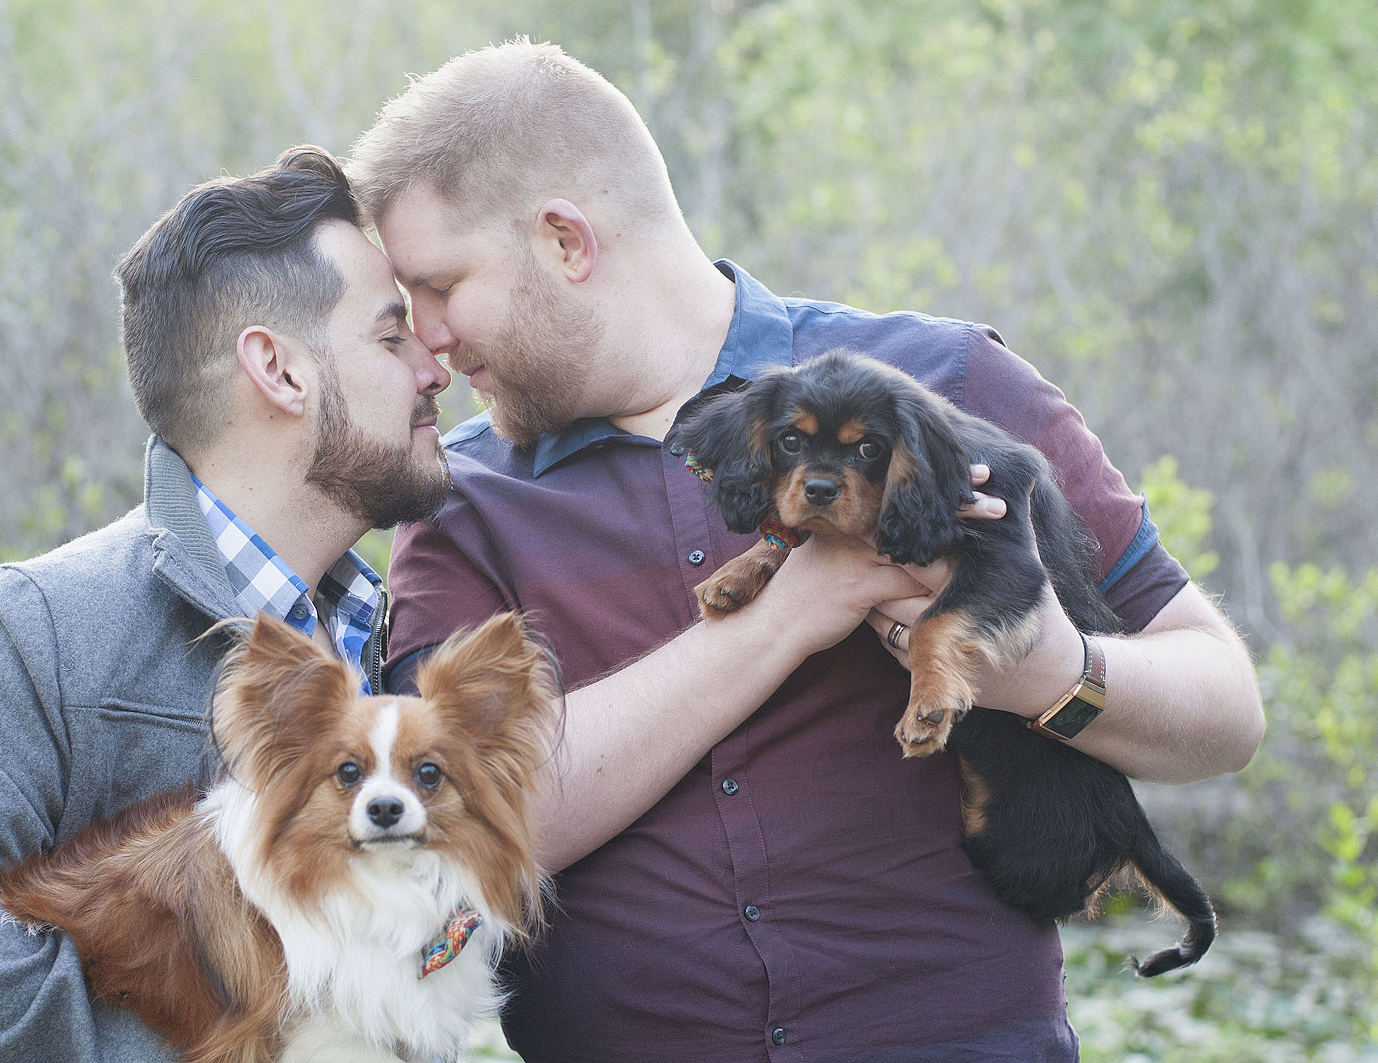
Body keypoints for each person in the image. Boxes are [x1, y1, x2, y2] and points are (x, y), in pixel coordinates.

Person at [346, 41, 1265, 1062]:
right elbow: (451, 823)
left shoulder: (950, 388)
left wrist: (1055, 672)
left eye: (437, 287)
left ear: (565, 240)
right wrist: (786, 616)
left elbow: (1224, 710)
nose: (425, 343)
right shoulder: (460, 501)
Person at [0, 145, 453, 1062]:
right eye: (391, 336)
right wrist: (222, 1036)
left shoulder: (391, 642)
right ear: (280, 370)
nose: (434, 366)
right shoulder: (47, 624)